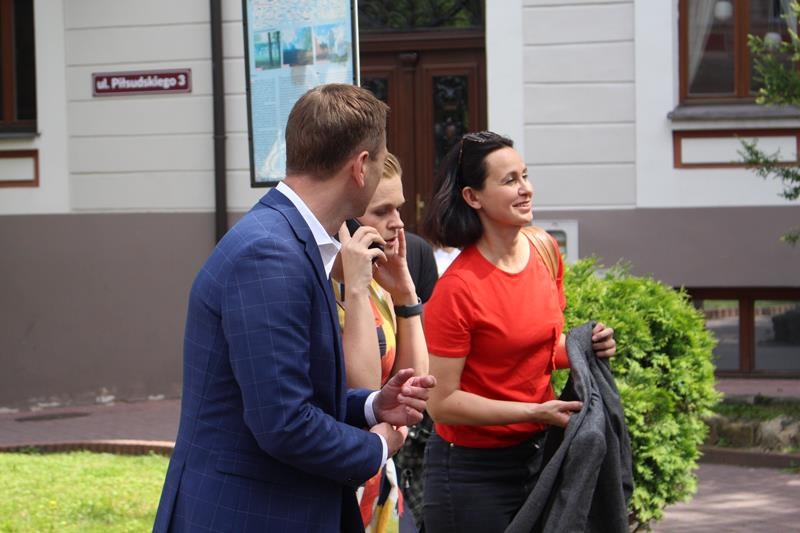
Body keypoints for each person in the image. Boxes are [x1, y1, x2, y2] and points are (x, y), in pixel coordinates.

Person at [153, 84, 436, 533]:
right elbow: (284, 423)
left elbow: (298, 393)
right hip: (250, 516)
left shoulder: (290, 240)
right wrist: (378, 446)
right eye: (381, 159)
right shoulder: (270, 253)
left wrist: (373, 405)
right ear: (361, 166)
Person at [419, 131, 616, 533]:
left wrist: (585, 348)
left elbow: (537, 348)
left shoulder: (544, 249)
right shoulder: (457, 289)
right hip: (471, 474)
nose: (526, 189)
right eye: (510, 180)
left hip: (538, 457)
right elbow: (442, 403)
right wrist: (533, 411)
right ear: (473, 197)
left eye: (525, 175)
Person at [331, 152, 429, 530]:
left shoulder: (378, 283)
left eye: (398, 208)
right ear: (347, 220)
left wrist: (406, 296)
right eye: (382, 211)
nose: (398, 222)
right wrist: (355, 288)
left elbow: (413, 386)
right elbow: (364, 389)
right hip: (340, 476)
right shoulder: (327, 287)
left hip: (377, 480)